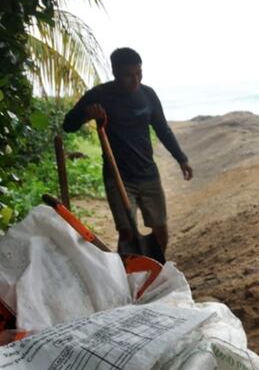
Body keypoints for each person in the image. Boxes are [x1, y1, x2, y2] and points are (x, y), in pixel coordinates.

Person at [63, 47, 192, 252]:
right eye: (128, 75)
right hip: (118, 177)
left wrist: (181, 158)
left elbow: (162, 129)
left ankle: (155, 271)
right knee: (127, 232)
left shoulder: (148, 95)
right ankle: (127, 274)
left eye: (139, 73)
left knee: (160, 228)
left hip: (148, 174)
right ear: (115, 72)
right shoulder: (99, 95)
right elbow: (68, 125)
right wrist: (86, 115)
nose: (135, 80)